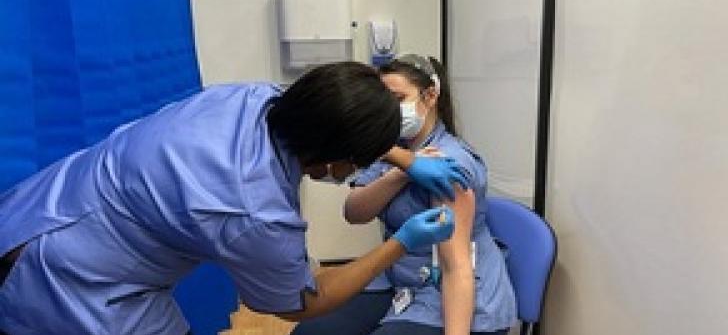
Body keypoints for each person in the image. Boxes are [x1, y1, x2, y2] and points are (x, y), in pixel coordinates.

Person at [0, 62, 469, 334]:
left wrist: (405, 162)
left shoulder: (252, 99)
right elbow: (298, 303)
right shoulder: (256, 213)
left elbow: (458, 272)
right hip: (75, 281)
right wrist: (399, 243)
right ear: (335, 158)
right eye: (361, 161)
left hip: (40, 206)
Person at [291, 55, 517, 335]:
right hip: (400, 280)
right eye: (383, 102)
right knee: (311, 333)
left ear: (430, 95)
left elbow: (456, 268)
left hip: (447, 291)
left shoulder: (449, 165)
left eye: (398, 99)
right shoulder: (393, 150)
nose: (388, 111)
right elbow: (355, 212)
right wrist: (403, 172)